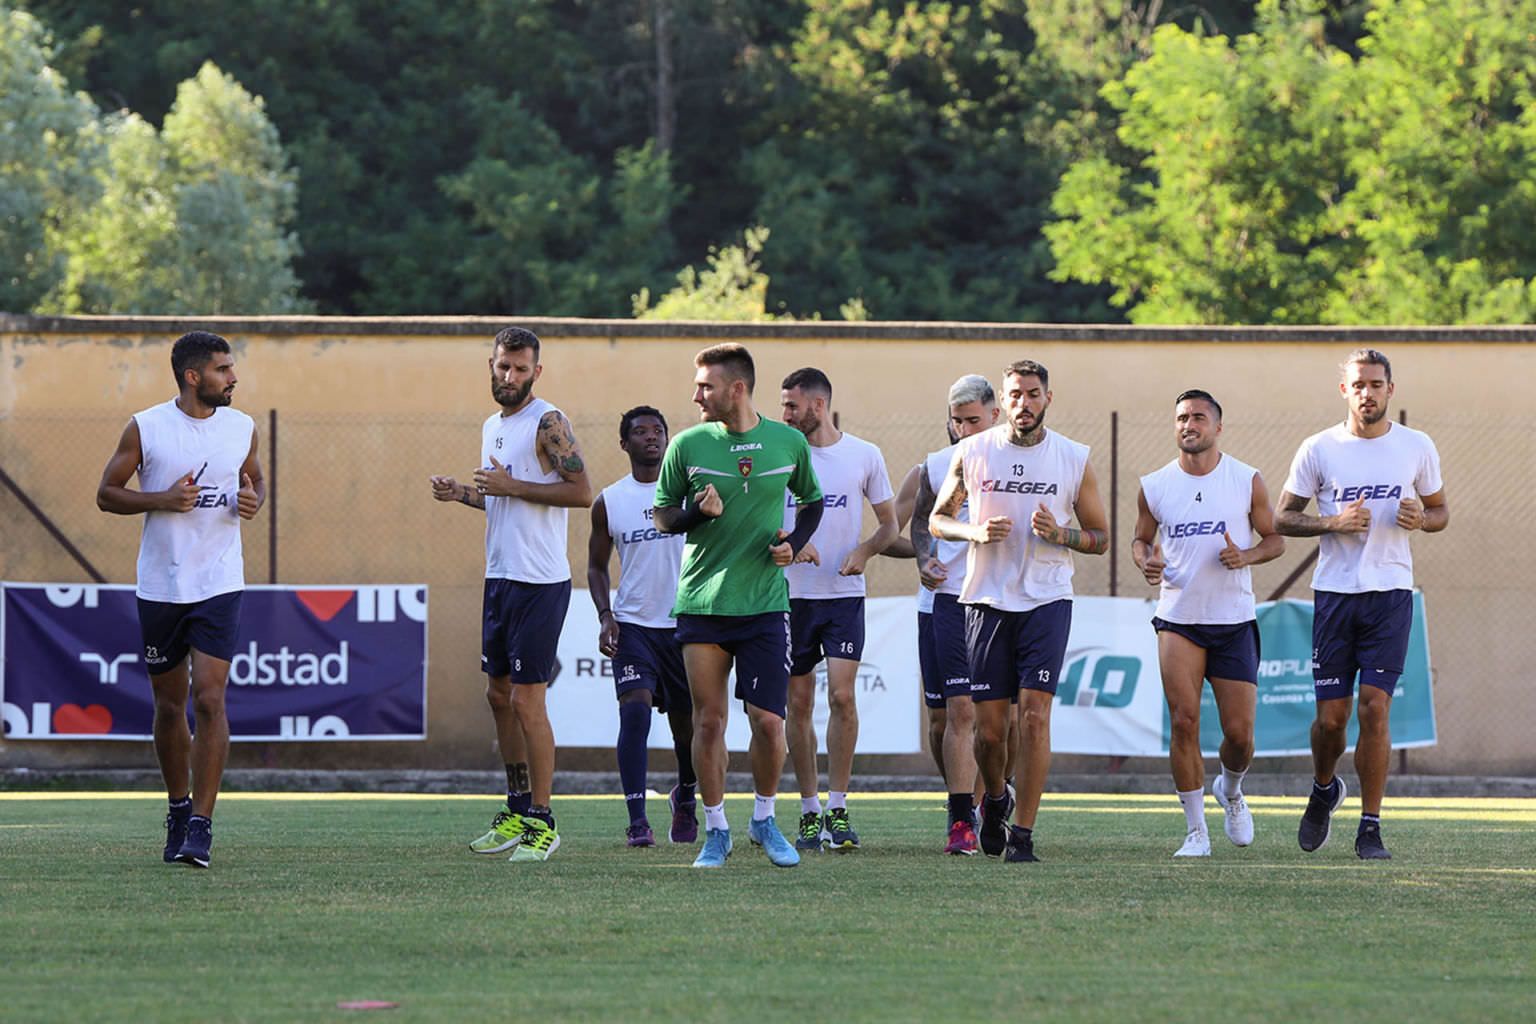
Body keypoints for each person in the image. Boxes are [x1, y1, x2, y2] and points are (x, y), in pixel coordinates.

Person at [96, 331, 265, 869]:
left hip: (219, 582)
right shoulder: (146, 427)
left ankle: (201, 826)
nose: (233, 377)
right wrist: (163, 499)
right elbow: (107, 494)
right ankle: (177, 807)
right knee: (170, 707)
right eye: (222, 369)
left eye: (231, 368)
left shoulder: (242, 427)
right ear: (194, 376)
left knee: (210, 699)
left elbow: (255, 480)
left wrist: (253, 500)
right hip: (163, 586)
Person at [930, 359, 1109, 863]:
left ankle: (1023, 836)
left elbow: (1100, 538)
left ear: (1048, 398)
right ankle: (995, 798)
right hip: (986, 601)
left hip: (1047, 600)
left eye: (1032, 394)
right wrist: (974, 532)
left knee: (1033, 717)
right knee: (990, 734)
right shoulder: (972, 451)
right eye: (1015, 394)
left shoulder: (1073, 457)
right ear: (1002, 402)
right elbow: (939, 520)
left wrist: (1062, 534)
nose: (1023, 403)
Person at [654, 343, 823, 869]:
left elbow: (812, 501)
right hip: (703, 604)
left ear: (737, 388)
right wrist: (696, 514)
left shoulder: (789, 442)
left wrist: (794, 543)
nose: (696, 395)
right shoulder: (686, 444)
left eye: (705, 386)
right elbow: (662, 516)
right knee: (708, 723)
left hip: (765, 606)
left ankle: (764, 819)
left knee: (770, 723)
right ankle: (716, 830)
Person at [1276, 349, 1448, 860]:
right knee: (1331, 721)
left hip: (1390, 594)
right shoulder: (1319, 448)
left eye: (1375, 384)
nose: (1367, 393)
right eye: (1358, 385)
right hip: (1335, 596)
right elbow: (1282, 518)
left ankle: (1370, 827)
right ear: (1344, 391)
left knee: (1375, 708)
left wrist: (1423, 520)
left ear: (1390, 389)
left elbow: (1440, 511)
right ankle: (1324, 787)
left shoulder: (1416, 445)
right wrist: (1332, 522)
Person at [430, 327, 592, 863]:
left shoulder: (549, 421)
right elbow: (502, 498)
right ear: (491, 365)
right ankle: (517, 808)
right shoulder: (492, 426)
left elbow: (580, 492)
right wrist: (463, 494)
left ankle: (544, 820)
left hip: (539, 583)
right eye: (503, 366)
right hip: (499, 576)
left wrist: (510, 487)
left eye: (521, 369)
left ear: (536, 372)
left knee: (526, 700)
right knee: (497, 696)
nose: (510, 376)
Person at [1132, 389, 1284, 858]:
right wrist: (1146, 561)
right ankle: (1196, 831)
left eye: (1199, 417)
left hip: (1233, 620)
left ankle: (1231, 791)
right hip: (1178, 619)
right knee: (1184, 721)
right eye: (1182, 417)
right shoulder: (1155, 485)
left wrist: (1247, 556)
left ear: (1218, 427)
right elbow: (1140, 540)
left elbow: (1274, 539)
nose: (1189, 424)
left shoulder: (1246, 479)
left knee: (1240, 736)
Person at [779, 368, 898, 852]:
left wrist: (865, 552)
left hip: (844, 596)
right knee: (799, 703)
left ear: (818, 405)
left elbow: (889, 525)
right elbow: (757, 517)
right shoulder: (780, 455)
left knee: (844, 698)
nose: (785, 414)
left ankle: (839, 807)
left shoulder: (864, 455)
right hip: (790, 596)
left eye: (792, 405)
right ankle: (809, 810)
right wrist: (790, 541)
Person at [586, 405, 698, 847]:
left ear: (668, 439)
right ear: (624, 443)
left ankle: (685, 794)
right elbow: (596, 567)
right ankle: (637, 821)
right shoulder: (610, 501)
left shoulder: (691, 494)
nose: (651, 437)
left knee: (686, 728)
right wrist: (605, 615)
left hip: (686, 624)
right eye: (640, 431)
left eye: (658, 430)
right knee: (634, 712)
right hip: (633, 625)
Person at [909, 375, 1000, 855]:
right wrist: (925, 559)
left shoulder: (1021, 463)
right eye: (957, 421)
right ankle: (962, 814)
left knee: (997, 720)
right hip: (947, 600)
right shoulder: (938, 464)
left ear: (995, 416)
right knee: (948, 717)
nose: (964, 430)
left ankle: (986, 803)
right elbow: (919, 521)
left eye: (973, 421)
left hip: (1001, 600)